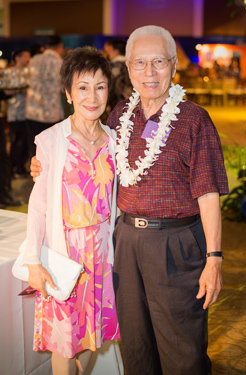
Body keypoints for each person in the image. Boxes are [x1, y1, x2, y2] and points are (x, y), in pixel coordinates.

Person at [31, 25, 229, 375]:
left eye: (158, 62)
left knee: (183, 348)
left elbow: (209, 193)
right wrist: (42, 164)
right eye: (140, 63)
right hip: (123, 245)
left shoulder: (195, 120)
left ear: (173, 65)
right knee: (136, 344)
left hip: (175, 245)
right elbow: (82, 156)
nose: (149, 72)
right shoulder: (119, 117)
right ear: (129, 68)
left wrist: (214, 259)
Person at [23, 47, 119, 375]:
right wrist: (33, 261)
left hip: (102, 256)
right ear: (68, 93)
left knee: (93, 337)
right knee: (64, 339)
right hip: (66, 255)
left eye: (100, 86)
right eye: (82, 87)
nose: (92, 96)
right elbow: (37, 207)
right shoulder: (51, 140)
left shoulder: (115, 142)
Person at [26, 35, 64, 157]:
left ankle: (35, 173)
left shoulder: (34, 60)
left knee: (34, 145)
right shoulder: (59, 63)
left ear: (47, 46)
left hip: (32, 110)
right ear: (60, 47)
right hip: (51, 113)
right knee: (51, 147)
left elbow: (26, 80)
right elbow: (64, 88)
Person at [5, 49, 30, 177]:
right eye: (25, 56)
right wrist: (21, 89)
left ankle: (20, 167)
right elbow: (5, 91)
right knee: (16, 141)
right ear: (17, 58)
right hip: (15, 113)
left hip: (28, 113)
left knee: (25, 141)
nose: (27, 59)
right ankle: (14, 168)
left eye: (28, 56)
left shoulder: (29, 72)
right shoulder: (9, 72)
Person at [104, 38, 132, 113]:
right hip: (133, 104)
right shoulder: (133, 65)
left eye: (109, 49)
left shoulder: (110, 67)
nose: (107, 52)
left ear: (116, 50)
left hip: (115, 105)